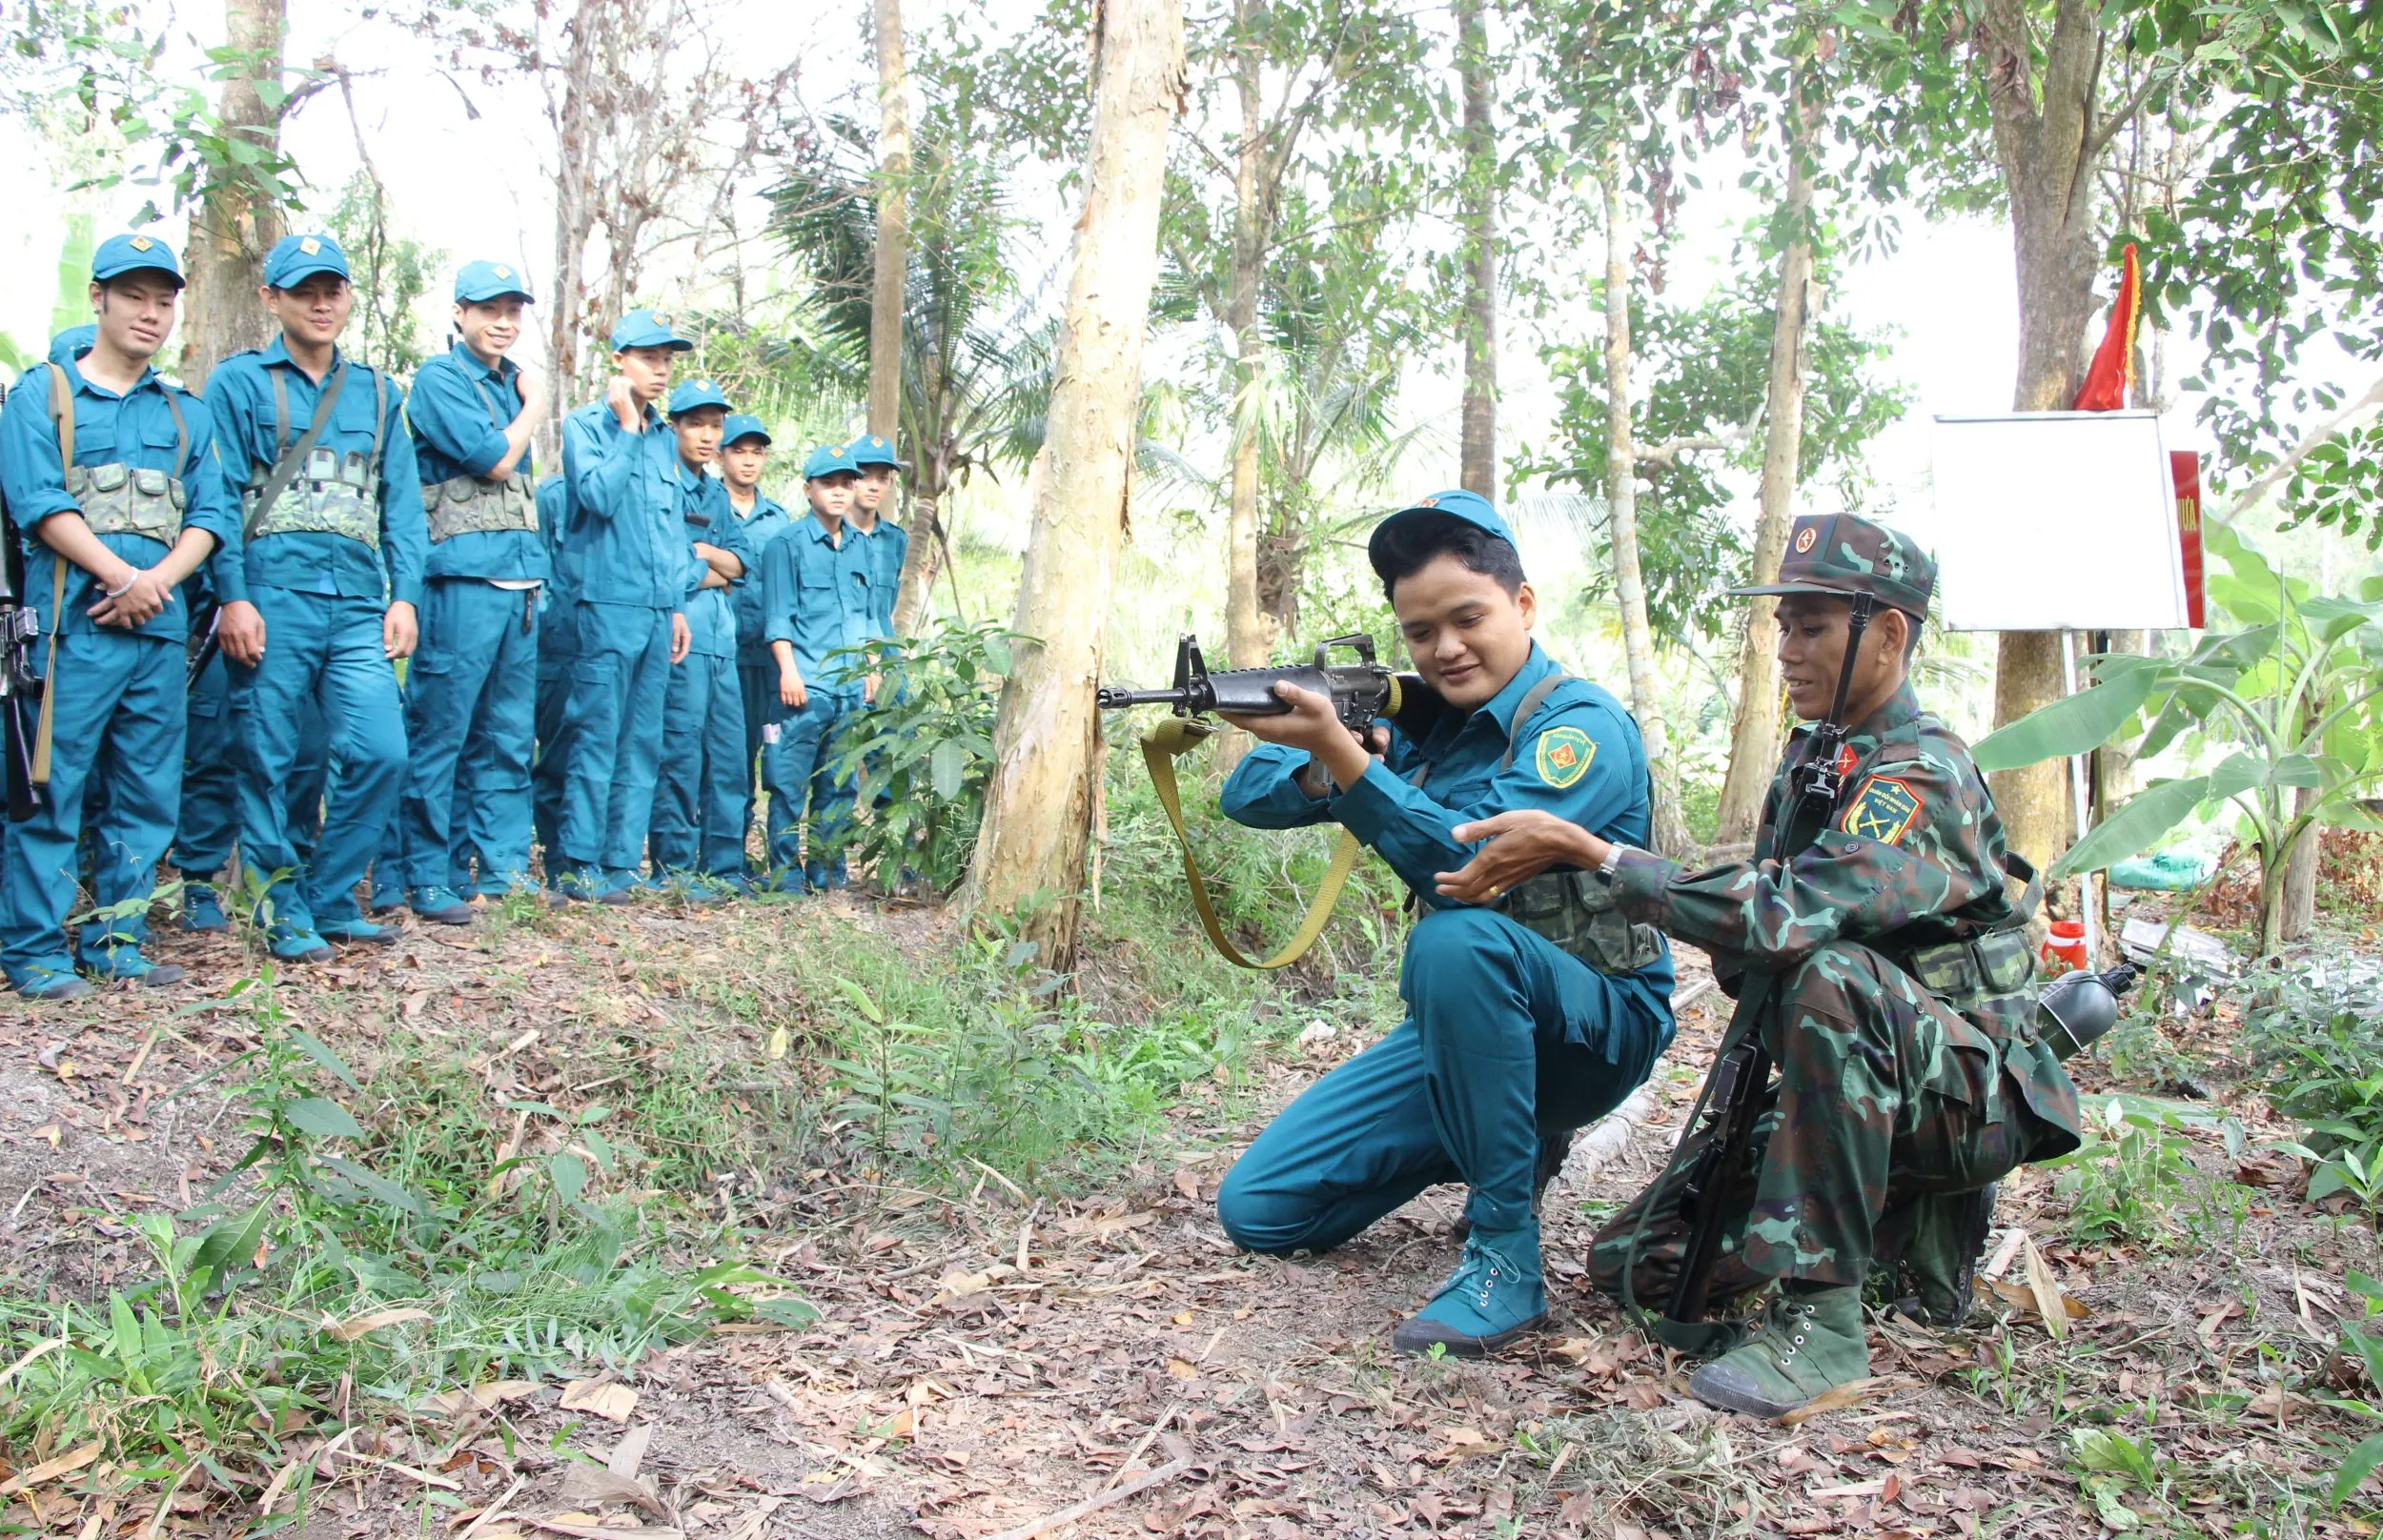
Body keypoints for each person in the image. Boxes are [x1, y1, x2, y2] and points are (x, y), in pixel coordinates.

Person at [1437, 511, 2082, 1416]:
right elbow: (1751, 942)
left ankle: (1824, 1328)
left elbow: (1782, 919)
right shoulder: (1817, 757)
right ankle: (1883, 1235)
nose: (1786, 650)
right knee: (1641, 1267)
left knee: (1830, 976)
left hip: (1965, 1101)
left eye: (1812, 628)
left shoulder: (1921, 774)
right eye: (1783, 626)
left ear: (1889, 636)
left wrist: (1600, 855)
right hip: (1863, 1083)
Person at [1211, 490, 1676, 1357]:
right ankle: (1502, 1130)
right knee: (1261, 1210)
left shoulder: (1578, 728)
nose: (1447, 649)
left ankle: (1504, 1258)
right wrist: (1330, 756)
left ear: (1523, 604)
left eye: (1468, 619)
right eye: (1420, 633)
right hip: (1471, 1032)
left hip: (1599, 1028)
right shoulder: (1420, 723)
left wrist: (1345, 755)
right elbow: (1245, 797)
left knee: (1454, 940)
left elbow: (1461, 875)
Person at [0, 234, 239, 997]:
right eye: (134, 296)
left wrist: (155, 583)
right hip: (70, 629)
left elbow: (210, 516)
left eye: (164, 300)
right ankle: (34, 951)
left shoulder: (186, 413)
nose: (150, 313)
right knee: (50, 786)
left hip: (158, 632)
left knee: (146, 790)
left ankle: (118, 940)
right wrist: (120, 576)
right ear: (98, 298)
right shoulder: (43, 395)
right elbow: (38, 502)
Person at [206, 232, 426, 962]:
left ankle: (329, 897)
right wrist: (232, 596)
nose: (321, 304)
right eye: (304, 291)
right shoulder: (238, 384)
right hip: (272, 595)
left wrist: (405, 596)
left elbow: (402, 506)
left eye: (332, 290)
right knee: (269, 756)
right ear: (271, 299)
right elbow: (215, 498)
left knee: (383, 750)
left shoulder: (378, 393)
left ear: (348, 297)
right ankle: (279, 906)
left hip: (357, 602)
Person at [395, 260, 549, 922]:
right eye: (489, 309)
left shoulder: (513, 382)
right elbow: (493, 459)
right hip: (461, 581)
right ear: (460, 313)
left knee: (507, 737)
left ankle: (495, 867)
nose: (504, 322)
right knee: (442, 731)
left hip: (522, 584)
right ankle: (427, 872)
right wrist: (537, 402)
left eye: (513, 311)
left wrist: (525, 393)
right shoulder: (440, 379)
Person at [551, 310, 694, 902]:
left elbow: (670, 529)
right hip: (608, 604)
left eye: (666, 360)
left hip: (659, 610)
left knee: (643, 740)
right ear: (618, 360)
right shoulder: (586, 426)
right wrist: (628, 428)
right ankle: (580, 860)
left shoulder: (665, 437)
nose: (660, 370)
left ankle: (620, 863)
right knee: (597, 733)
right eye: (648, 358)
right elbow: (598, 498)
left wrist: (678, 605)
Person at [644, 378, 751, 901]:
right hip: (679, 641)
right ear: (675, 427)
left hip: (721, 644)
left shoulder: (716, 493)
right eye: (696, 425)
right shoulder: (659, 482)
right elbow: (666, 566)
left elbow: (740, 565)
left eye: (716, 426)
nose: (708, 436)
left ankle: (724, 867)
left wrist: (703, 554)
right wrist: (711, 566)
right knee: (679, 754)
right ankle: (673, 866)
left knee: (730, 758)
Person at [760, 444, 875, 892]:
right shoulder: (786, 545)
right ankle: (785, 878)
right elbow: (777, 616)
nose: (839, 492)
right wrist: (787, 671)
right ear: (809, 489)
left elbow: (868, 616)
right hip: (804, 686)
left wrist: (872, 668)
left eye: (846, 483)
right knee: (788, 786)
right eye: (828, 483)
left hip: (848, 688)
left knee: (839, 788)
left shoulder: (861, 547)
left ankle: (828, 875)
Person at [718, 414, 794, 894]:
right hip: (721, 656)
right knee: (729, 759)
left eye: (757, 452)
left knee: (775, 754)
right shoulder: (705, 504)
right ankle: (726, 855)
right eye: (739, 451)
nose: (748, 461)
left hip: (769, 663)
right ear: (722, 455)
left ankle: (777, 860)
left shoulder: (780, 521)